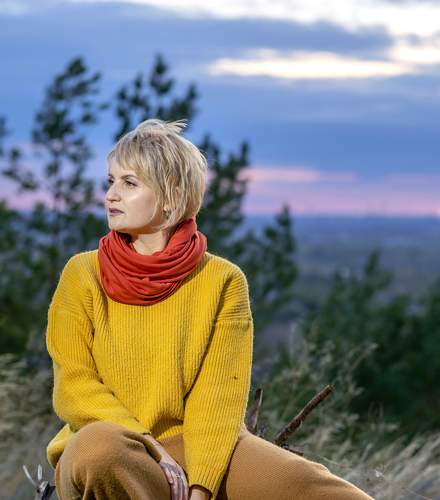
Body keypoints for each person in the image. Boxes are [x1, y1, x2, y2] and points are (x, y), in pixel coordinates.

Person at [45, 118, 374, 500]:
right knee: (99, 449)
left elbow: (217, 397)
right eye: (111, 181)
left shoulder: (222, 280)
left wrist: (202, 486)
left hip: (197, 444)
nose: (110, 196)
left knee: (318, 488)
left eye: (129, 183)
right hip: (114, 441)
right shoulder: (82, 274)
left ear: (170, 196)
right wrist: (151, 446)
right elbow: (74, 387)